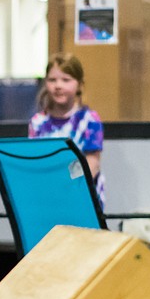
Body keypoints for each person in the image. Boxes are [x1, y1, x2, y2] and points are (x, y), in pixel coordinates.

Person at [28, 52, 105, 207]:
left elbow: (93, 163)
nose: (58, 85)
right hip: (47, 197)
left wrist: (65, 185)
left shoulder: (89, 120)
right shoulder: (37, 122)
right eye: (52, 80)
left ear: (79, 85)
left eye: (66, 80)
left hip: (82, 198)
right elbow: (35, 161)